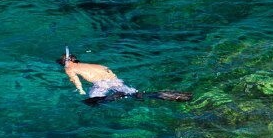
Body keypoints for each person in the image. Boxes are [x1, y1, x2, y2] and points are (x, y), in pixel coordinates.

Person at [60, 50, 188, 105]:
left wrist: (80, 90)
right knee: (135, 94)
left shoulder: (69, 68)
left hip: (101, 84)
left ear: (66, 62)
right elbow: (108, 70)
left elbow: (75, 80)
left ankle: (113, 97)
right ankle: (161, 95)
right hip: (115, 80)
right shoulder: (95, 65)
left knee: (93, 101)